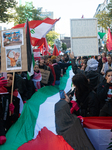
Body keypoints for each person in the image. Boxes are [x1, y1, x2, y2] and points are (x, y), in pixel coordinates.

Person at [0, 72, 23, 145]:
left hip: (8, 129)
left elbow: (16, 118)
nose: (8, 80)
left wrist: (12, 112)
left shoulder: (16, 96)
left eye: (11, 78)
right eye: (7, 77)